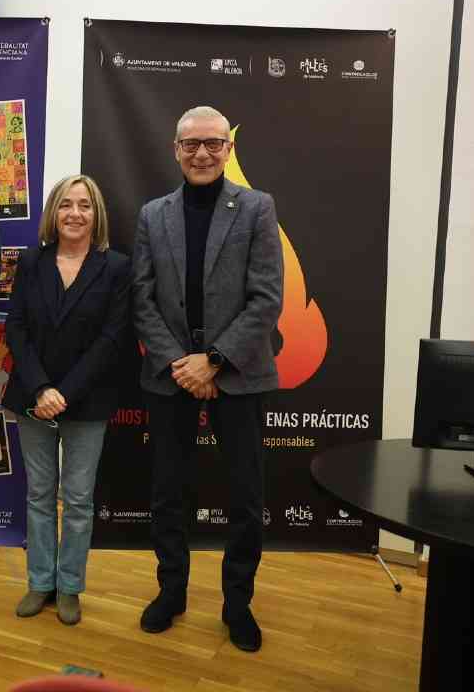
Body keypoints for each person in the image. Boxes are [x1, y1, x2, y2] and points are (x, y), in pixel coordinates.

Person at [132, 106, 283, 652]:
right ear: (175, 150)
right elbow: (142, 298)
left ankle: (237, 603)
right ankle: (171, 592)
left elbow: (267, 298)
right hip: (172, 373)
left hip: (237, 373)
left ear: (227, 149)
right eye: (191, 144)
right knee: (167, 493)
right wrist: (183, 362)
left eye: (213, 144)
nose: (202, 153)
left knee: (245, 497)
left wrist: (214, 360)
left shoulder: (257, 208)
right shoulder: (153, 215)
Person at [4, 175, 131, 626]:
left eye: (84, 205)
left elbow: (112, 339)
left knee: (77, 500)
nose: (74, 213)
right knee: (39, 495)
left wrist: (65, 392)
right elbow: (16, 328)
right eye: (65, 204)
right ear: (53, 213)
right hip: (33, 398)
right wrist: (42, 388)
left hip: (88, 400)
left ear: (97, 216)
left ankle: (70, 586)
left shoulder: (116, 268)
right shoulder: (31, 262)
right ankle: (40, 582)